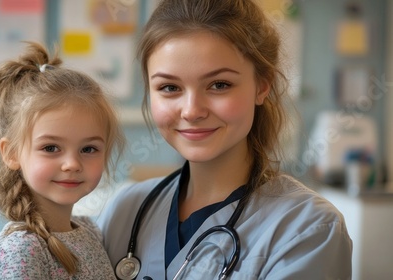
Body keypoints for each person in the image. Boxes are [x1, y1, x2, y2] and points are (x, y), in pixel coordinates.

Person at [96, 0, 352, 279]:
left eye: (219, 85)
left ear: (262, 85)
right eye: (169, 87)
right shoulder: (125, 210)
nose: (192, 111)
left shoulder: (308, 229)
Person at [0, 41, 124, 279]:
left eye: (89, 149)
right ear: (11, 153)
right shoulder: (22, 249)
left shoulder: (90, 231)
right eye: (51, 147)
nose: (72, 163)